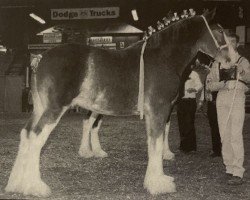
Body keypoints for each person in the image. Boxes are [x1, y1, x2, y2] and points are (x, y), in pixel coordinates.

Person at [206, 33, 250, 185]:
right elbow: (210, 84)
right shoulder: (217, 62)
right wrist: (223, 84)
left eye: (232, 43)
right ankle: (229, 168)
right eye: (226, 43)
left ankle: (238, 171)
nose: (228, 46)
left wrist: (241, 72)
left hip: (237, 97)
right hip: (222, 98)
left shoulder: (242, 61)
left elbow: (249, 78)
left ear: (236, 44)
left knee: (235, 134)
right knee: (224, 134)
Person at [177, 63, 203, 153]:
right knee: (182, 124)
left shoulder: (194, 74)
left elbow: (200, 85)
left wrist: (194, 89)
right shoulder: (179, 74)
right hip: (180, 101)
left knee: (189, 123)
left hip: (190, 101)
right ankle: (183, 146)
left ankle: (191, 147)